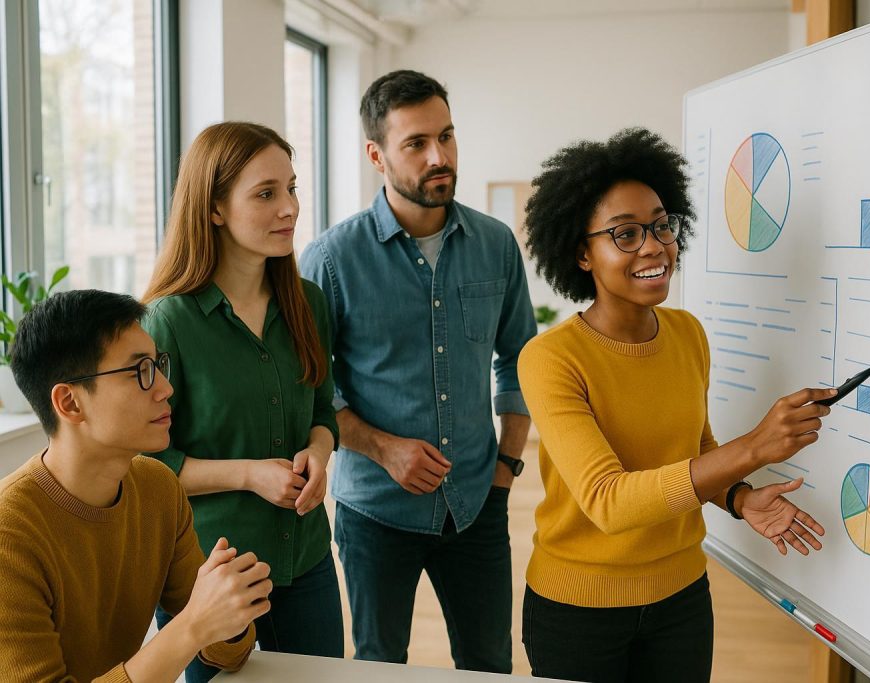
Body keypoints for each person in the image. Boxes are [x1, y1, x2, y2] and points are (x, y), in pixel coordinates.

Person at [517, 127, 833, 683]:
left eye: (662, 226)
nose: (654, 246)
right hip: (578, 611)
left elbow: (696, 450)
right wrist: (755, 447)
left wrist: (737, 498)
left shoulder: (687, 333)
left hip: (683, 599)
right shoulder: (550, 359)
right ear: (581, 254)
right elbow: (608, 501)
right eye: (625, 234)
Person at [300, 70, 536, 673]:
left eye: (447, 136)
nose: (440, 157)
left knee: (489, 664)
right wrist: (382, 449)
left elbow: (519, 359)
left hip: (477, 502)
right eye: (416, 143)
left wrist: (507, 468)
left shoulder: (496, 244)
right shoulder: (330, 260)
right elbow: (311, 391)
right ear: (376, 154)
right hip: (375, 513)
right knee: (381, 666)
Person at [142, 121, 343, 681]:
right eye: (266, 193)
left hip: (308, 560)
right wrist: (250, 475)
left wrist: (319, 455)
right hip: (213, 577)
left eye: (292, 188)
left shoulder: (308, 301)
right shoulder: (166, 322)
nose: (291, 208)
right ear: (214, 209)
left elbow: (323, 412)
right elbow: (146, 466)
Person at [0, 289, 269, 682]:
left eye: (159, 365)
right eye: (139, 372)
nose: (165, 388)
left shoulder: (158, 487)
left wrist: (231, 609)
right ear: (70, 403)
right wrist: (194, 624)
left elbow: (227, 653)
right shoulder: (10, 534)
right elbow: (194, 627)